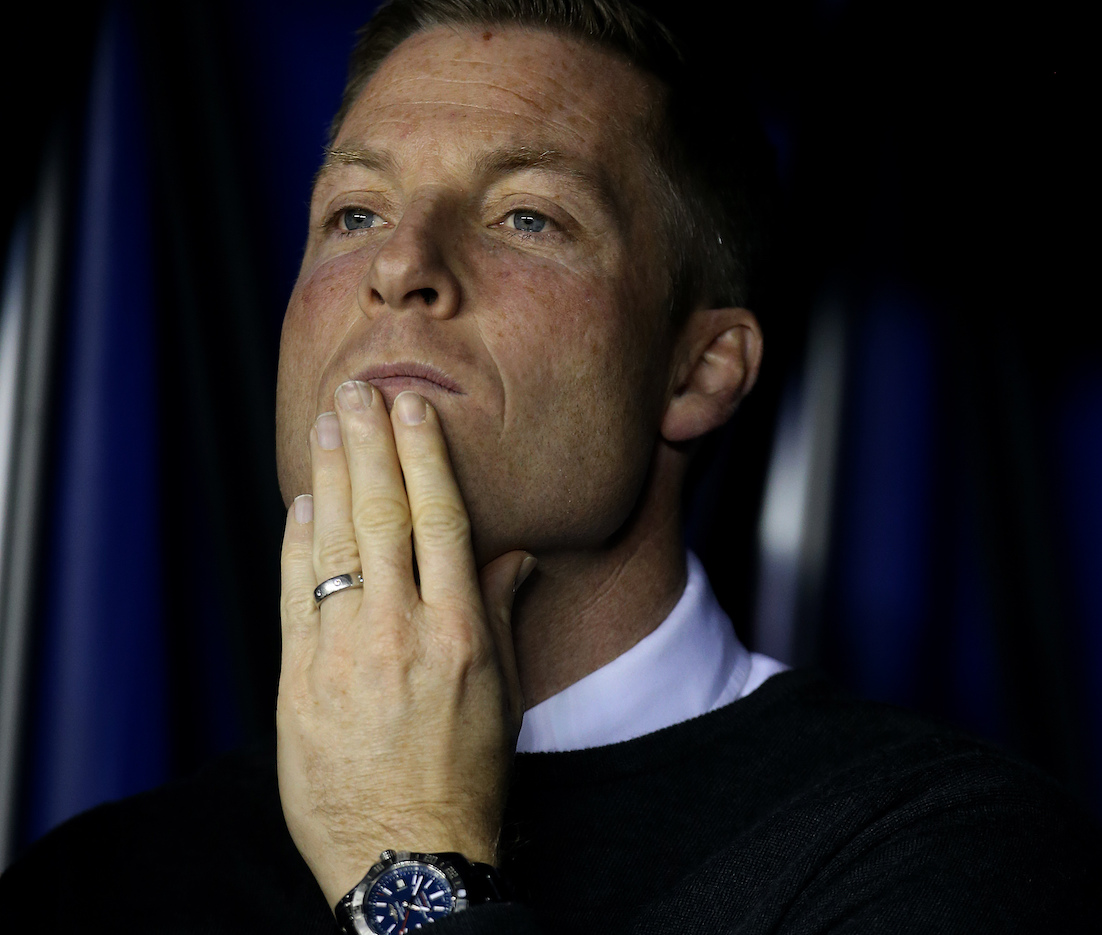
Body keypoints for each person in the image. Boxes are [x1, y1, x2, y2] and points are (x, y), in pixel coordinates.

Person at [1, 1, 1097, 932]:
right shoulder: (91, 887)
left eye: (526, 216)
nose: (400, 263)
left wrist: (402, 853)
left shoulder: (952, 855)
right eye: (355, 211)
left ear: (699, 370)